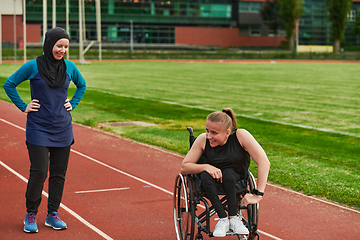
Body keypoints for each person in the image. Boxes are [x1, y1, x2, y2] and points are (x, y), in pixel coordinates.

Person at [2, 27, 87, 233]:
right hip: (38, 127)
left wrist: (73, 103)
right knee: (39, 172)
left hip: (63, 128)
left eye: (66, 46)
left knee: (59, 174)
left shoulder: (70, 67)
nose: (63, 50)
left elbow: (82, 85)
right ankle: (31, 213)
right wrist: (24, 106)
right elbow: (9, 84)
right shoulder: (33, 66)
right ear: (49, 44)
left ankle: (52, 214)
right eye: (59, 46)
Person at [181, 108, 270, 237]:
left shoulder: (241, 136)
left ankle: (233, 218)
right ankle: (223, 219)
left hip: (237, 182)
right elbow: (184, 167)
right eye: (207, 130)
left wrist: (258, 195)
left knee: (228, 172)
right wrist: (205, 166)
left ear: (227, 133)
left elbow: (264, 162)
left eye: (214, 133)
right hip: (210, 184)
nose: (209, 136)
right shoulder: (202, 139)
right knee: (205, 174)